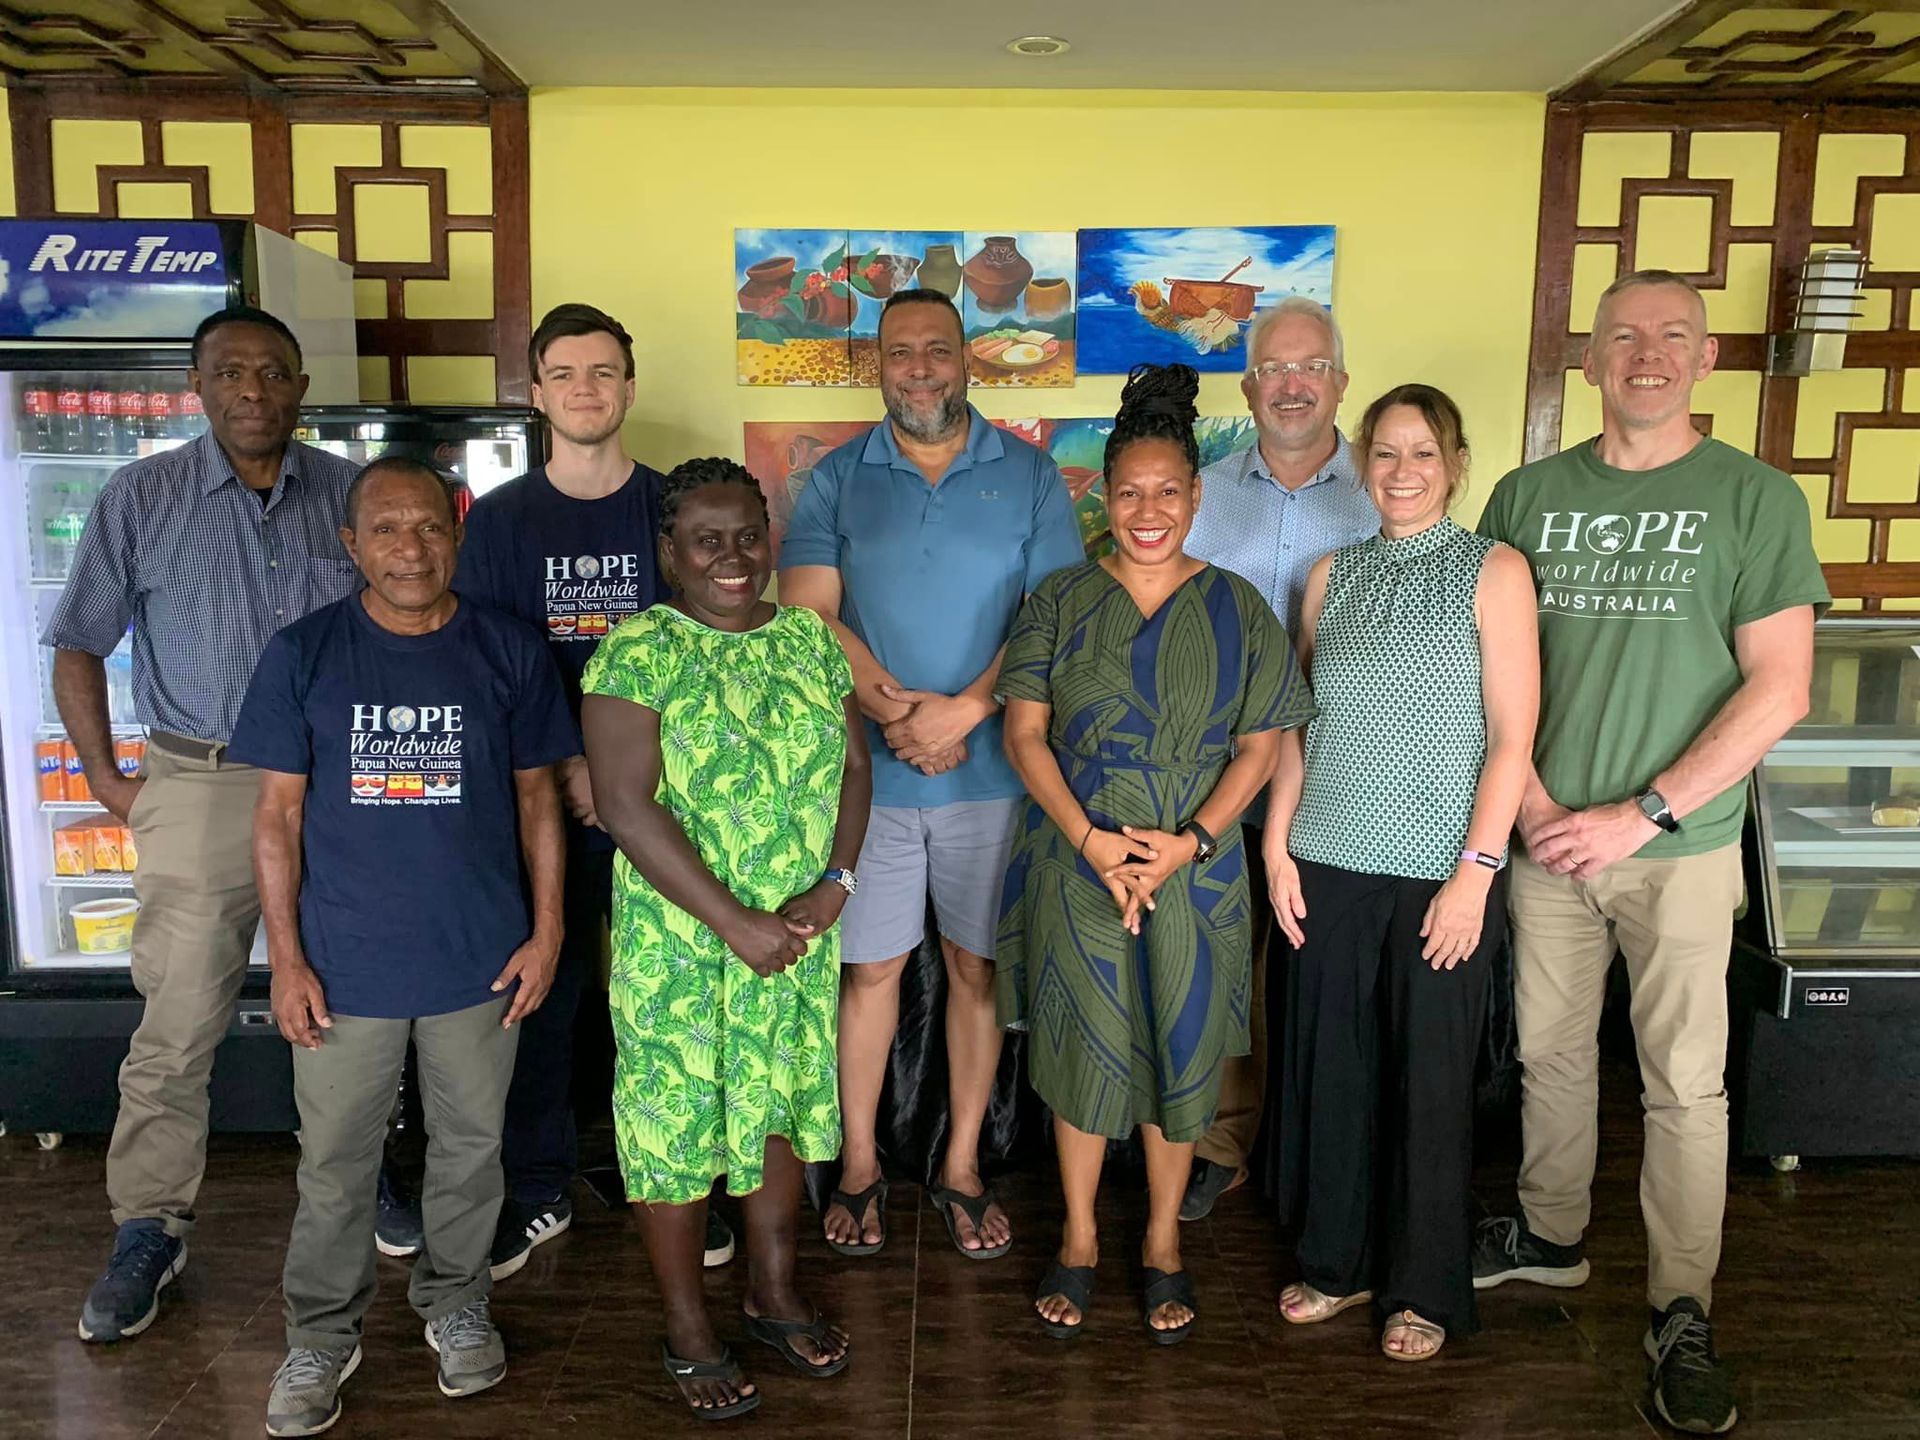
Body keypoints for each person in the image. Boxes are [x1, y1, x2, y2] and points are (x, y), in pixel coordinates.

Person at [1473, 271, 1827, 1434]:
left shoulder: (1755, 498)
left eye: (1672, 335)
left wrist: (1645, 813)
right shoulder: (1527, 495)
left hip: (1678, 848)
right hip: (1546, 837)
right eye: (1623, 334)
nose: (1647, 354)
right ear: (1590, 357)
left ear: (1705, 357)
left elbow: (1781, 689)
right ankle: (1554, 1233)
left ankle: (1682, 1308)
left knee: (1685, 1085)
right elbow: (1489, 673)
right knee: (1550, 1055)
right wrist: (1529, 809)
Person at [228, 457, 575, 1437]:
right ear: (351, 546)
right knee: (335, 1162)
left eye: (428, 527)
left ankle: (457, 1301)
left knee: (470, 1151)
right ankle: (320, 1339)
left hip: (480, 959)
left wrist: (548, 932)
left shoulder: (506, 650)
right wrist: (285, 960)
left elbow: (540, 799)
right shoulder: (303, 653)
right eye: (386, 530)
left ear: (456, 536)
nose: (410, 548)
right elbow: (276, 821)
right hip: (345, 968)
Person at [43, 305, 361, 1344]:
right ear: (199, 384)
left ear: (301, 384)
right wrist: (105, 779)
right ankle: (149, 1222)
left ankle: (366, 1188)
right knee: (177, 1022)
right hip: (203, 780)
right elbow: (79, 641)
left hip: (344, 785)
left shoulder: (351, 497)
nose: (254, 391)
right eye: (232, 373)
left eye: (273, 372)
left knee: (355, 1005)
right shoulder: (141, 497)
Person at [998, 364, 1315, 1344]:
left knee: (1180, 1060)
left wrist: (1188, 844)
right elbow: (1022, 735)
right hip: (1074, 860)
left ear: (1195, 495)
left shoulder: (1240, 610)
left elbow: (1263, 747)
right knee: (1086, 1050)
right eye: (1128, 491)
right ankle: (1085, 1239)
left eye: (1167, 492)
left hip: (1197, 870)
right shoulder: (1057, 600)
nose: (1146, 510)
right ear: (1106, 494)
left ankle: (1167, 1244)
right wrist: (1093, 841)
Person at [779, 288, 1083, 1260]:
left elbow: (1052, 618)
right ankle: (861, 1163)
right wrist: (898, 711)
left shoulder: (1032, 477)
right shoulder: (836, 479)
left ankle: (959, 1165)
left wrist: (967, 709)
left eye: (937, 351)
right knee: (867, 973)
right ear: (878, 365)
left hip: (993, 778)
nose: (920, 368)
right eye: (901, 352)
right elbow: (809, 612)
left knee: (974, 970)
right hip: (872, 780)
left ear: (968, 360)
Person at [581, 458, 871, 1420]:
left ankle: (772, 1290)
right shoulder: (636, 653)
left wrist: (834, 884)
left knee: (778, 1105)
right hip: (680, 952)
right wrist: (735, 922)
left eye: (748, 534)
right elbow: (624, 806)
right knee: (675, 1129)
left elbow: (855, 769)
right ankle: (686, 1323)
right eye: (707, 540)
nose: (732, 557)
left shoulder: (813, 645)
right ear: (671, 553)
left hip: (792, 938)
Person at [1267, 384, 1538, 1361]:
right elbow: (1302, 722)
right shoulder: (1328, 576)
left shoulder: (1493, 571)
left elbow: (1512, 739)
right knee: (1335, 1075)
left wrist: (1476, 872)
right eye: (1384, 453)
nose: (1402, 471)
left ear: (1455, 463)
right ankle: (1337, 1264)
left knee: (1429, 1084)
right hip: (1329, 863)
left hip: (1440, 874)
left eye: (1422, 453)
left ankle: (1423, 1288)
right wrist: (1275, 843)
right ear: (1362, 464)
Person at [445, 302, 697, 1280]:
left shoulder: (672, 507)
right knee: (542, 1000)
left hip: (663, 803)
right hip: (542, 804)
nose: (586, 388)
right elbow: (493, 668)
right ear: (537, 391)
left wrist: (631, 772)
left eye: (604, 371)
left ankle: (673, 1179)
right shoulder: (502, 521)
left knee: (662, 1002)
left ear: (629, 387)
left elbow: (701, 655)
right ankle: (539, 1185)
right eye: (565, 373)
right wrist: (568, 767)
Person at [1179, 296, 1380, 1220]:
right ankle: (1222, 1140)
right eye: (1273, 370)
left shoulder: (1386, 493)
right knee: (1223, 958)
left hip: (1344, 777)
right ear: (1249, 385)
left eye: (1311, 367)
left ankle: (1310, 1147)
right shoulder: (1204, 493)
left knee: (1317, 961)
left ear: (1340, 381)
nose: (1292, 385)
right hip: (1215, 773)